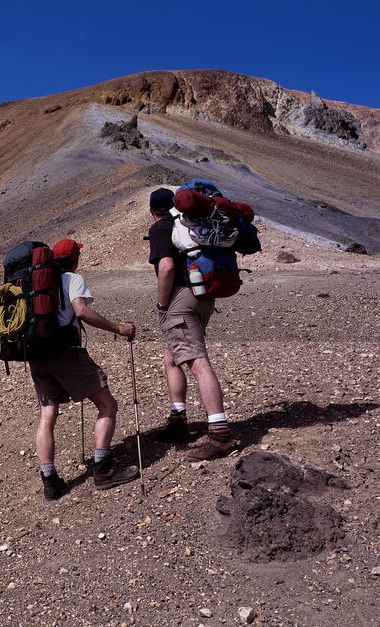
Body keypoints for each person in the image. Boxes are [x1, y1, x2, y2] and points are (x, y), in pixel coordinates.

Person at [30, 238, 139, 501]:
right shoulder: (71, 279)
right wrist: (118, 328)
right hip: (65, 353)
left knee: (48, 416)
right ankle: (103, 470)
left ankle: (50, 482)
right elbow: (81, 311)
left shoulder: (34, 284)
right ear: (76, 259)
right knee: (107, 405)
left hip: (36, 354)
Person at [146, 188, 237, 461]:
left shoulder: (161, 228)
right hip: (203, 297)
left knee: (198, 362)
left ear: (152, 211)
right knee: (172, 357)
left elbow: (166, 267)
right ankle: (178, 419)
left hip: (181, 300)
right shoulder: (187, 224)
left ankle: (220, 435)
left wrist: (163, 305)